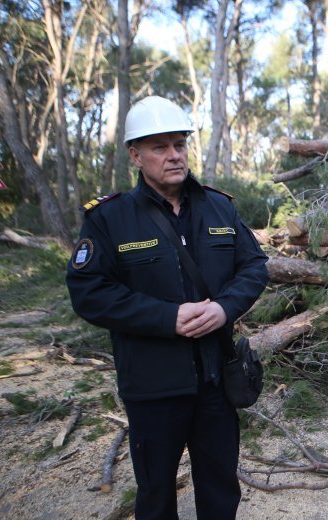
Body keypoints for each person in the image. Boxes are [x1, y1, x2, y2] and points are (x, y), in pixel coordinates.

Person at [66, 95, 269, 519]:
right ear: (135, 155)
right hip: (153, 386)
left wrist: (225, 308)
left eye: (179, 144)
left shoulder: (219, 206)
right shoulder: (109, 218)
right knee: (156, 494)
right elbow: (89, 291)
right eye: (160, 147)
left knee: (220, 486)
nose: (174, 155)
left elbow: (253, 265)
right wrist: (166, 318)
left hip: (216, 380)